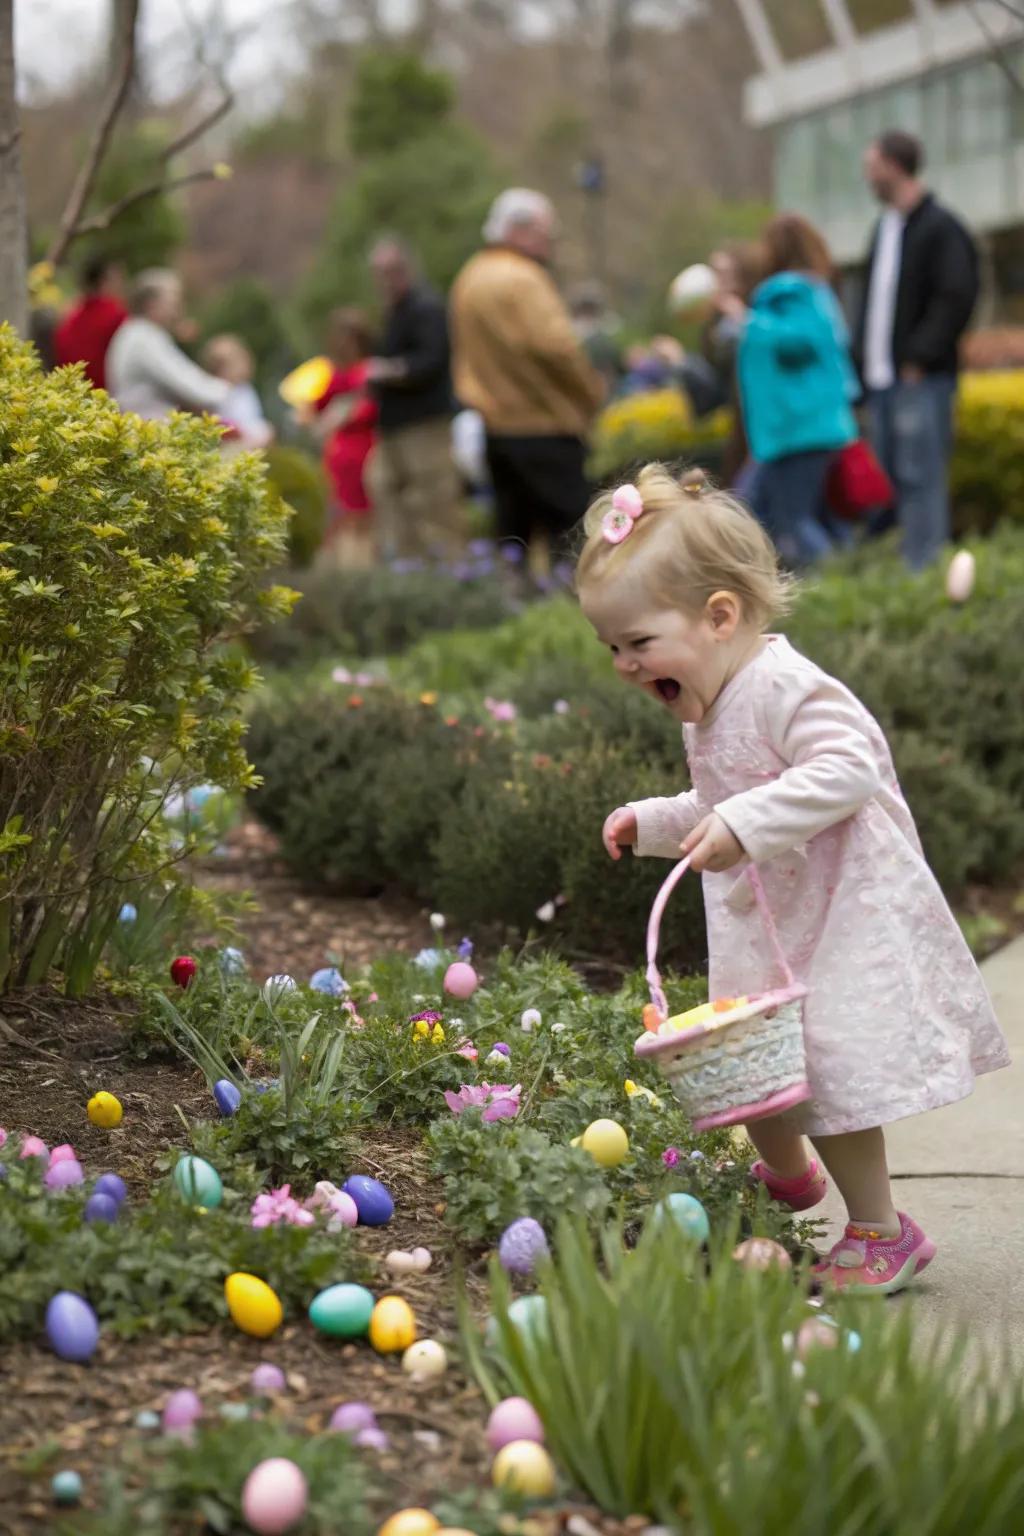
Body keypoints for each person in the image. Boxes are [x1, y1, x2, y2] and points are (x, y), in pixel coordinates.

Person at [577, 462, 1008, 1294]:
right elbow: (719, 801)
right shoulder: (708, 699)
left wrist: (744, 823)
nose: (626, 666)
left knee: (828, 1075)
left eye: (638, 643)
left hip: (843, 911)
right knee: (757, 1060)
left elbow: (850, 766)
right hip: (775, 918)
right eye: (612, 648)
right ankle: (789, 1177)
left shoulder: (783, 685)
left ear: (719, 616)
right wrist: (659, 823)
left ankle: (883, 1230)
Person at [450, 188, 605, 578]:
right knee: (571, 539)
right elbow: (559, 349)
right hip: (545, 426)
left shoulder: (469, 278)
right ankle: (571, 618)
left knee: (513, 539)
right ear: (519, 230)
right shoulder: (524, 279)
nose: (549, 243)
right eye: (545, 232)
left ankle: (519, 612)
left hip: (495, 428)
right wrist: (591, 395)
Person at [855, 130, 979, 570]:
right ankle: (899, 573)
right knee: (887, 481)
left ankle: (923, 573)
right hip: (882, 382)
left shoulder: (940, 227)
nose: (867, 176)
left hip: (920, 381)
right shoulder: (884, 228)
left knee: (921, 477)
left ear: (893, 165)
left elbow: (956, 296)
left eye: (872, 166)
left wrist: (919, 357)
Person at [730, 214, 858, 566]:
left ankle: (836, 590)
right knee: (805, 518)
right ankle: (847, 585)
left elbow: (800, 342)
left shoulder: (789, 291)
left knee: (789, 521)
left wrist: (747, 322)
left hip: (795, 429)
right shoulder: (817, 291)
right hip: (808, 427)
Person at [363, 237, 463, 562]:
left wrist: (392, 370)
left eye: (391, 271)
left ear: (406, 269)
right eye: (379, 272)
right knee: (385, 489)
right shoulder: (393, 312)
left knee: (434, 503)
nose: (385, 279)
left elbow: (433, 360)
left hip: (423, 424)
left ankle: (453, 572)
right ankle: (409, 572)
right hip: (393, 426)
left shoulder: (426, 307)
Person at [305, 308, 378, 567]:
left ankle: (359, 565)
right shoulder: (337, 374)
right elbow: (315, 407)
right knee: (344, 517)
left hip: (363, 451)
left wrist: (343, 415)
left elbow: (370, 411)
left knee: (361, 516)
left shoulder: (367, 371)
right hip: (341, 452)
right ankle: (351, 567)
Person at [106, 269, 230, 421]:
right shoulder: (143, 338)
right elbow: (187, 384)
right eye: (174, 302)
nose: (179, 309)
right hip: (147, 430)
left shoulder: (143, 333)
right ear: (151, 304)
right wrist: (228, 392)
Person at [53, 254, 128, 389]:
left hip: (72, 392)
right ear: (105, 280)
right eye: (118, 278)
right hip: (105, 394)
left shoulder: (70, 314)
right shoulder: (116, 313)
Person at [200, 333, 274, 448]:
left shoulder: (244, 388)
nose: (244, 365)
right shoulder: (217, 393)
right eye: (237, 361)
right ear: (219, 367)